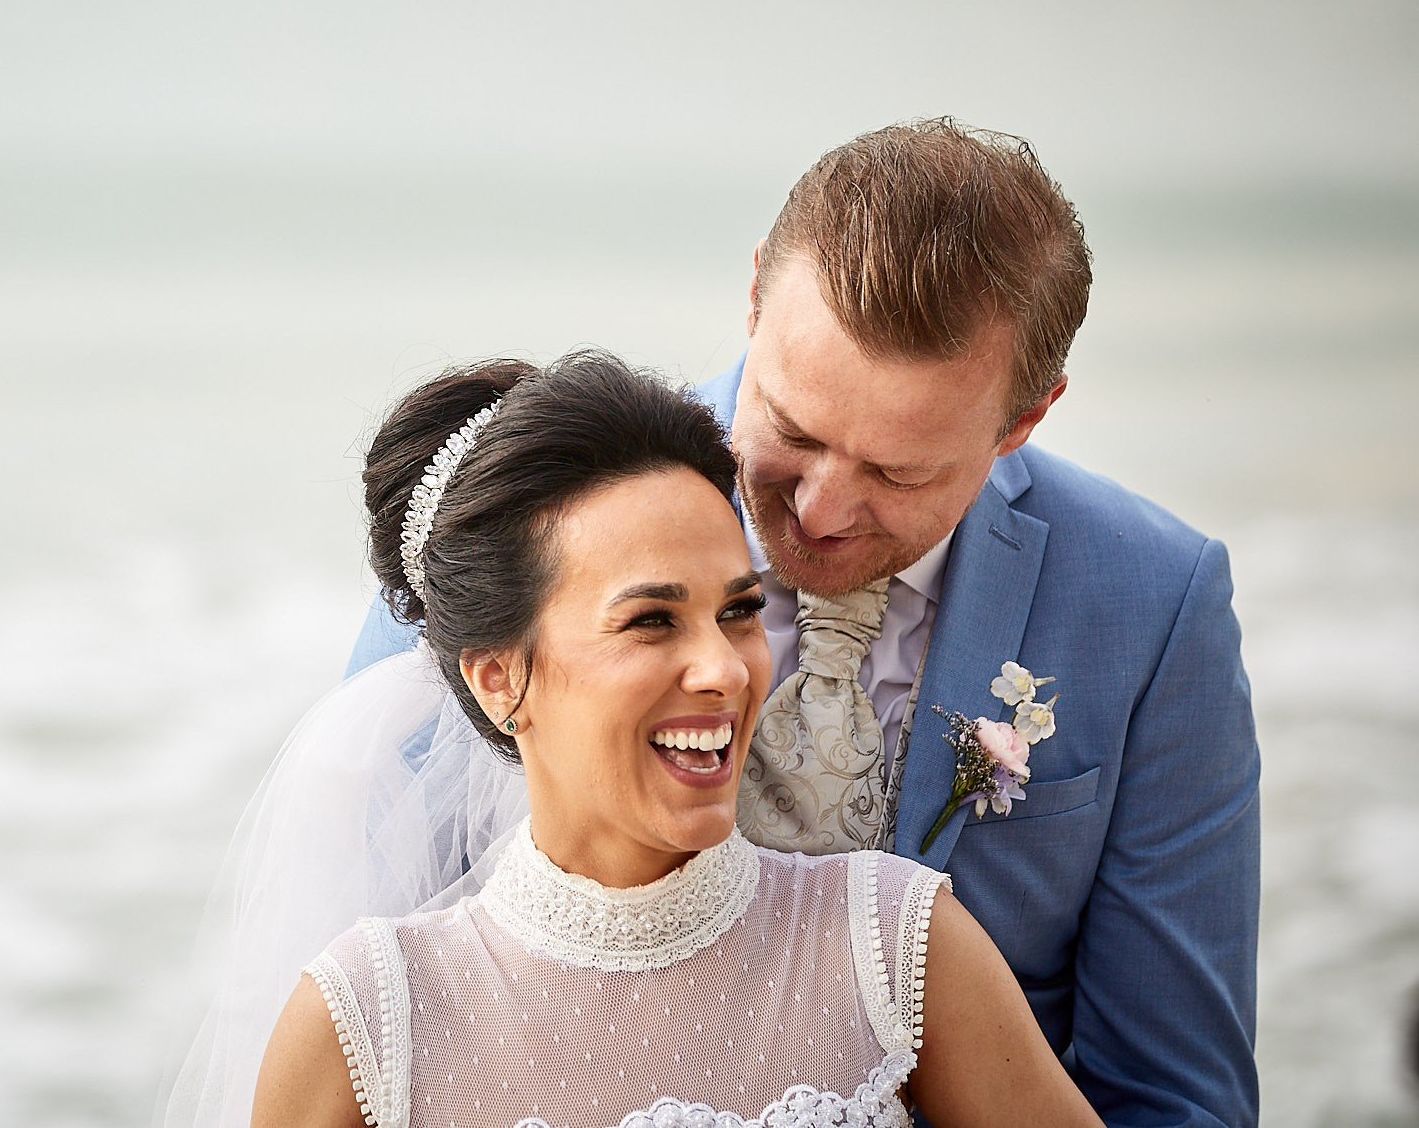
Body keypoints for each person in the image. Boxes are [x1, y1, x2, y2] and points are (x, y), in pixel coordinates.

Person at [344, 121, 1260, 1126]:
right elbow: (391, 1017)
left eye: (895, 470)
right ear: (752, 298)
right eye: (791, 429)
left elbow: (1173, 1097)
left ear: (1022, 419)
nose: (816, 512)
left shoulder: (1151, 603)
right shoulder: (515, 535)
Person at [255, 350, 1101, 1127]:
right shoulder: (370, 1026)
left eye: (738, 610)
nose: (727, 671)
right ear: (500, 677)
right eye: (652, 619)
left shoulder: (898, 944)